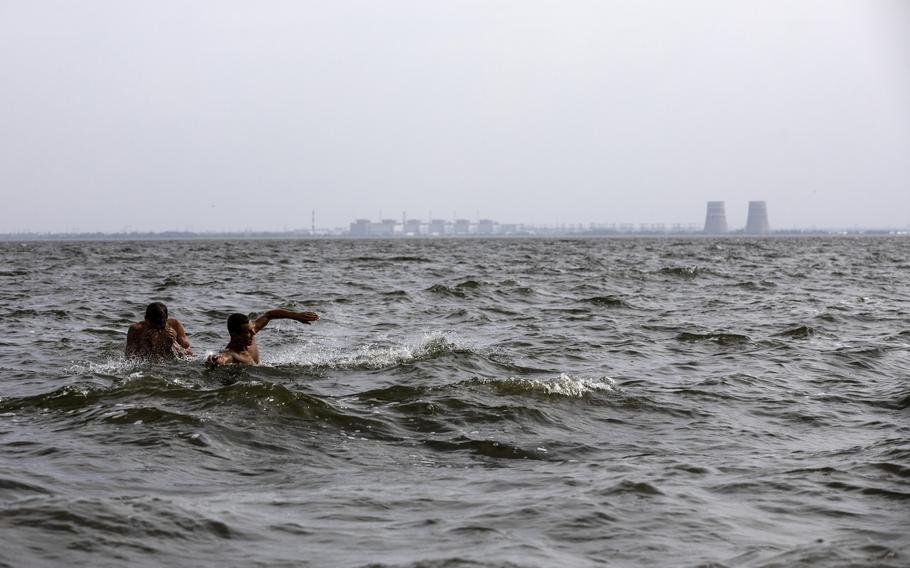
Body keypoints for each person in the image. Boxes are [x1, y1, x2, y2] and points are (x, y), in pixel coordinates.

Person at [205, 309, 318, 366]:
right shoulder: (232, 353)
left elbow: (269, 315)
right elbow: (223, 358)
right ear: (235, 335)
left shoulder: (250, 333)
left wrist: (297, 316)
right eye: (248, 332)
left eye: (252, 329)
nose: (254, 333)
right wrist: (214, 360)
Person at [126, 302, 193, 360]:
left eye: (162, 327)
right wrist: (145, 343)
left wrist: (174, 344)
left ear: (167, 318)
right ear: (146, 320)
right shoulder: (136, 329)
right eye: (154, 327)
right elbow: (129, 357)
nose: (158, 330)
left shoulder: (175, 325)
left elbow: (189, 354)